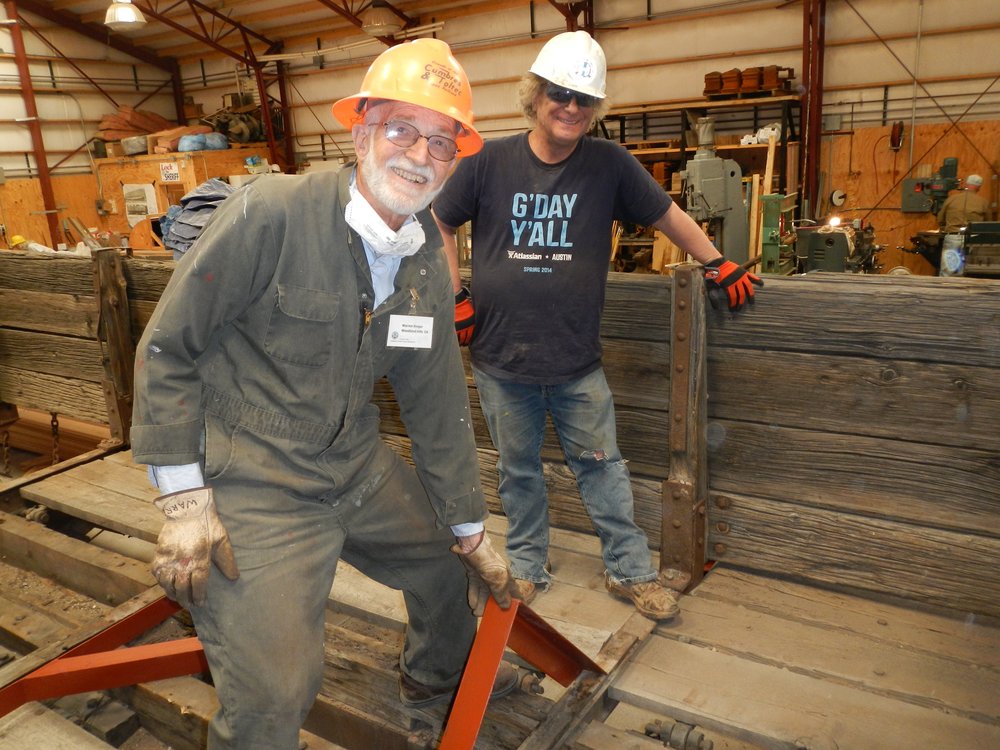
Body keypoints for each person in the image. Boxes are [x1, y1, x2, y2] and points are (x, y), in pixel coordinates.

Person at [131, 38, 518, 750]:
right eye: (401, 129)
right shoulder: (271, 213)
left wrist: (470, 528)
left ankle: (432, 682)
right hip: (252, 475)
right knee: (276, 696)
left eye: (440, 142)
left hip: (353, 463)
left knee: (444, 569)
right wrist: (183, 500)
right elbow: (168, 347)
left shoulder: (424, 257)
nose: (418, 155)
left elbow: (435, 402)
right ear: (361, 128)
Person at [432, 31, 762, 622]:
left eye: (585, 99)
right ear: (535, 96)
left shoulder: (609, 165)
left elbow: (668, 215)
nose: (571, 107)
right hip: (500, 359)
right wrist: (453, 292)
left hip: (575, 360)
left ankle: (630, 570)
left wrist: (717, 260)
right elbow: (439, 223)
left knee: (602, 467)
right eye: (560, 93)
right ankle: (528, 567)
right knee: (518, 471)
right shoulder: (486, 162)